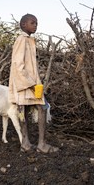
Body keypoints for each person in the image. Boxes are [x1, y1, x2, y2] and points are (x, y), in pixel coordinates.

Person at [8, 13, 59, 153]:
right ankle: (40, 144)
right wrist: (31, 83)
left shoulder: (28, 40)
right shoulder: (22, 40)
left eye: (36, 23)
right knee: (40, 107)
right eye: (33, 23)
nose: (36, 25)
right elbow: (18, 64)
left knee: (23, 109)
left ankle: (26, 144)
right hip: (25, 82)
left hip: (26, 82)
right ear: (24, 24)